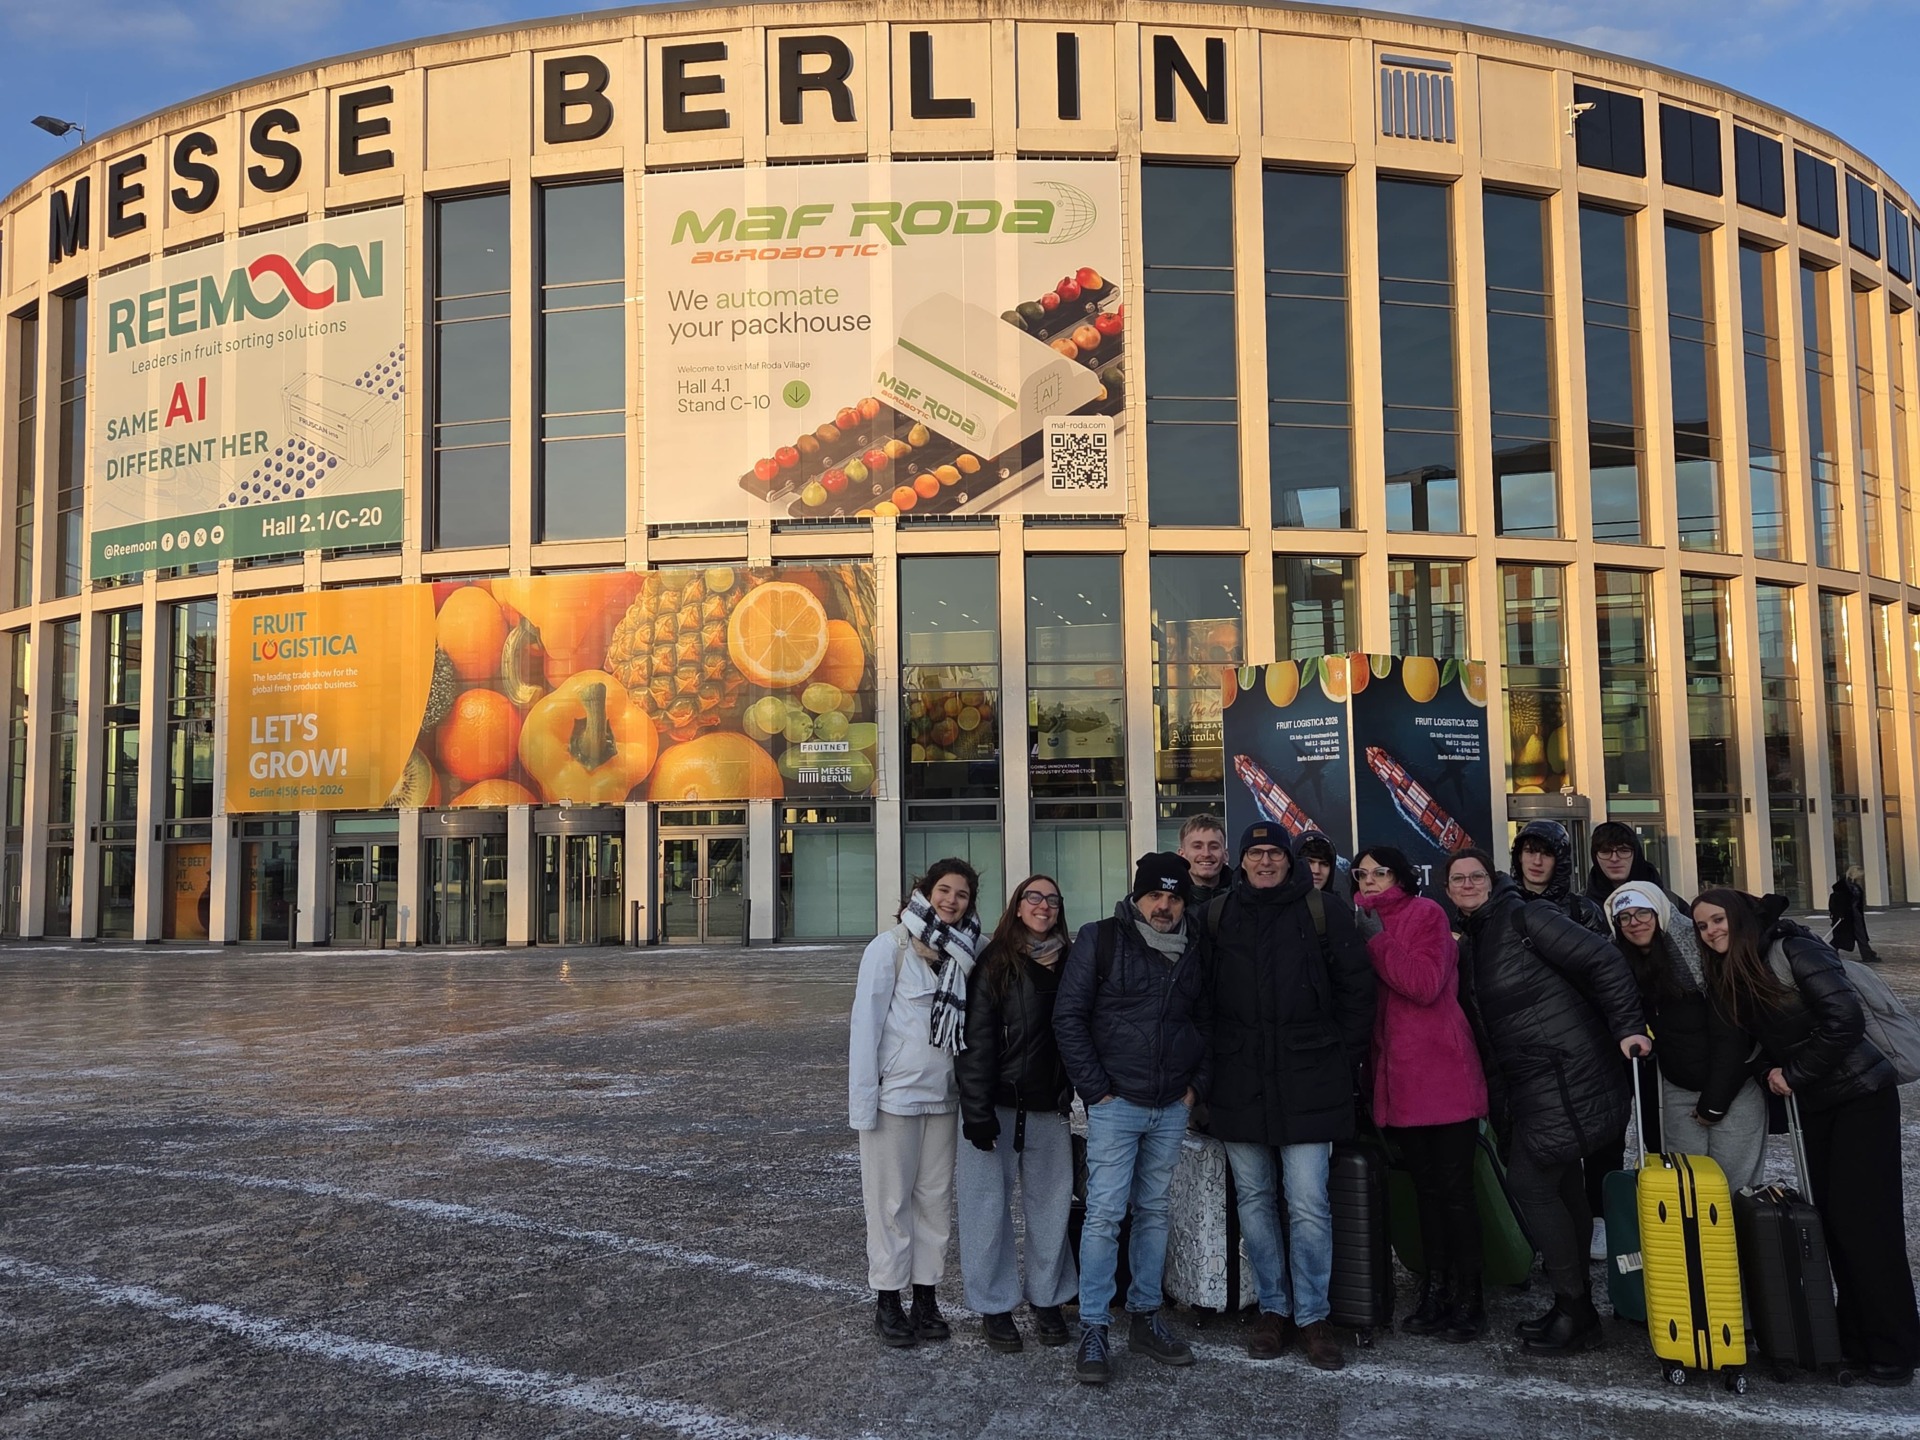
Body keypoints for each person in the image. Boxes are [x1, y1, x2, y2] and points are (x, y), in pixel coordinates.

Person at [1693, 888, 1919, 1387]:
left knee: (1868, 1226)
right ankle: (1857, 1336)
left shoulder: (1793, 948)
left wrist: (1791, 1074)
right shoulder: (1741, 968)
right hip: (1820, 1103)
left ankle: (1895, 1347)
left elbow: (1845, 1020)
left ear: (1739, 916)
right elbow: (1767, 1040)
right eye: (1703, 927)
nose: (1711, 932)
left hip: (1862, 1097)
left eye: (1717, 920)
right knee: (1836, 1222)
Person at [1443, 848, 1650, 1356]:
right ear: (1447, 891)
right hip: (1538, 1080)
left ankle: (1575, 1307)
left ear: (1492, 881)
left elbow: (1603, 958)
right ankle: (1574, 1309)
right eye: (1457, 880)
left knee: (1529, 1183)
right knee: (1566, 1186)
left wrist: (1627, 1027)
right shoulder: (1477, 935)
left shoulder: (1524, 916)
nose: (1468, 884)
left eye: (1476, 876)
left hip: (1567, 1070)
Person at [1205, 822, 1376, 1372]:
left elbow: (1357, 993)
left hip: (1310, 1080)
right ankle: (1274, 1309)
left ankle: (1314, 1316)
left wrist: (1335, 1056)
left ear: (1289, 859)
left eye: (1273, 853)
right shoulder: (1218, 914)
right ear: (1243, 860)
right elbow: (1199, 1000)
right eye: (1254, 853)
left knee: (1308, 1203)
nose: (1264, 862)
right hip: (1240, 1081)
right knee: (1254, 1202)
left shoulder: (1324, 911)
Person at [1053, 852, 1211, 1386]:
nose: (1164, 906)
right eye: (1155, 896)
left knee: (1154, 1213)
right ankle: (1095, 1326)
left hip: (1171, 1106)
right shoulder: (1100, 938)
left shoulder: (1196, 946)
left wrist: (1194, 1090)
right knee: (1103, 1215)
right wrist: (1096, 1092)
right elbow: (1068, 1017)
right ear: (1137, 897)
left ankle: (1145, 1318)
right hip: (1115, 1105)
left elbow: (1212, 1021)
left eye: (1173, 897)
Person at [1352, 844, 1490, 1342]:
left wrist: (1376, 943)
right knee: (1426, 1193)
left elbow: (1426, 983)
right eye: (1362, 873)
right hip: (1399, 1081)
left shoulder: (1425, 912)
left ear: (1403, 877)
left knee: (1454, 1193)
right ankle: (1434, 1291)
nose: (1369, 880)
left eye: (1380, 872)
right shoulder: (1359, 923)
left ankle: (1469, 1297)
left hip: (1443, 1076)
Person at [848, 858, 981, 1348]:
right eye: (944, 890)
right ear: (924, 892)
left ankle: (926, 1297)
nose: (951, 900)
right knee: (889, 1204)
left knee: (933, 1204)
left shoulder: (970, 951)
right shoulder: (890, 949)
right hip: (895, 1100)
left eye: (961, 895)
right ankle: (887, 1299)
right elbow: (866, 1030)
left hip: (945, 1100)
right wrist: (863, 1106)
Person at [954, 875, 1077, 1353]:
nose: (1043, 905)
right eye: (1034, 897)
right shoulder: (995, 962)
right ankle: (995, 1305)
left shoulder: (1071, 961)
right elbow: (977, 1040)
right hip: (999, 1106)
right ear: (1018, 905)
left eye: (1052, 898)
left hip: (1049, 1107)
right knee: (986, 1212)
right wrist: (977, 1109)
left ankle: (1047, 1298)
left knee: (1050, 1210)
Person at [1606, 883, 1766, 1190]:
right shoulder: (1626, 965)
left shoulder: (1699, 952)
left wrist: (1715, 1102)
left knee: (1733, 1188)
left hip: (1733, 1088)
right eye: (1624, 917)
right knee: (1687, 1188)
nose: (1634, 922)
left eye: (1642, 912)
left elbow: (1731, 1032)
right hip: (1678, 1090)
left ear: (1659, 912)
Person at [1512, 818, 1618, 1260]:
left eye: (1546, 852)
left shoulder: (1583, 911)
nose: (1536, 861)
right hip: (1526, 1051)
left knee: (1593, 1147)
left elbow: (1604, 975)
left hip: (1582, 1048)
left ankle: (1594, 1230)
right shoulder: (1506, 907)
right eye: (1529, 851)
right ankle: (1549, 1240)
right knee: (1545, 1159)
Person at [1583, 820, 1682, 910]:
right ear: (1595, 856)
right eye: (1605, 852)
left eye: (1624, 851)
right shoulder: (1580, 906)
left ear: (1636, 854)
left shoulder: (1669, 902)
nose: (1614, 859)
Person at [1827, 866, 1881, 964]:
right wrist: (1839, 914)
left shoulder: (1854, 886)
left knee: (1861, 935)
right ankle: (1829, 951)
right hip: (1846, 916)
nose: (1861, 877)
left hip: (1855, 914)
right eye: (1860, 875)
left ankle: (1867, 954)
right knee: (1841, 937)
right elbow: (1838, 903)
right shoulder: (1843, 887)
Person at [1179, 813, 1231, 907]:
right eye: (1197, 847)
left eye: (1214, 847)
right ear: (1182, 855)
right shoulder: (1171, 901)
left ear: (1225, 855)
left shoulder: (1244, 898)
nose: (1206, 854)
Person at [1296, 829, 1353, 901]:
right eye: (1309, 862)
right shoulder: (1279, 908)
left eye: (1324, 864)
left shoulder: (1341, 909)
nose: (1316, 870)